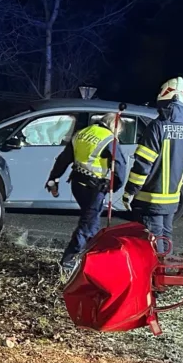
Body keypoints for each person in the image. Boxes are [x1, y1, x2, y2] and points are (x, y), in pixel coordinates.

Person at [123, 77, 183, 253]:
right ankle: (166, 266)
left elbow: (143, 164)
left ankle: (157, 269)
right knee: (166, 237)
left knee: (152, 241)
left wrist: (130, 191)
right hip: (173, 198)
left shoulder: (157, 127)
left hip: (149, 199)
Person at [47, 114, 128, 273]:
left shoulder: (82, 133)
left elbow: (63, 159)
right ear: (115, 127)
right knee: (88, 226)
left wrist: (53, 179)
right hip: (95, 188)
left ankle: (92, 260)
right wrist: (114, 186)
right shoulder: (109, 139)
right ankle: (68, 262)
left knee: (91, 222)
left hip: (77, 184)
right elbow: (120, 165)